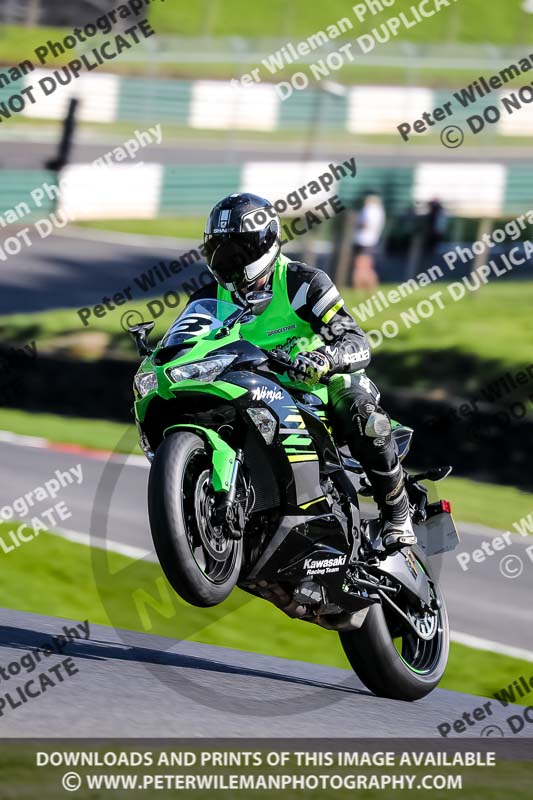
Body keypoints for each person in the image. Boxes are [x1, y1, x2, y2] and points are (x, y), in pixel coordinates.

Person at [189, 192, 415, 553]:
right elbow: (190, 345)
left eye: (236, 251)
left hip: (321, 387)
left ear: (263, 245)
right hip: (254, 390)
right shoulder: (208, 297)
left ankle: (397, 512)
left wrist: (327, 359)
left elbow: (356, 339)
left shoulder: (302, 282)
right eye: (219, 250)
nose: (227, 261)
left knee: (362, 413)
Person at [352, 191, 385, 289]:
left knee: (360, 266)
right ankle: (369, 287)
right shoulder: (379, 210)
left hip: (364, 241)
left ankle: (358, 288)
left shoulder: (369, 209)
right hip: (371, 241)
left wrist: (355, 224)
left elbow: (365, 223)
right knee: (366, 267)